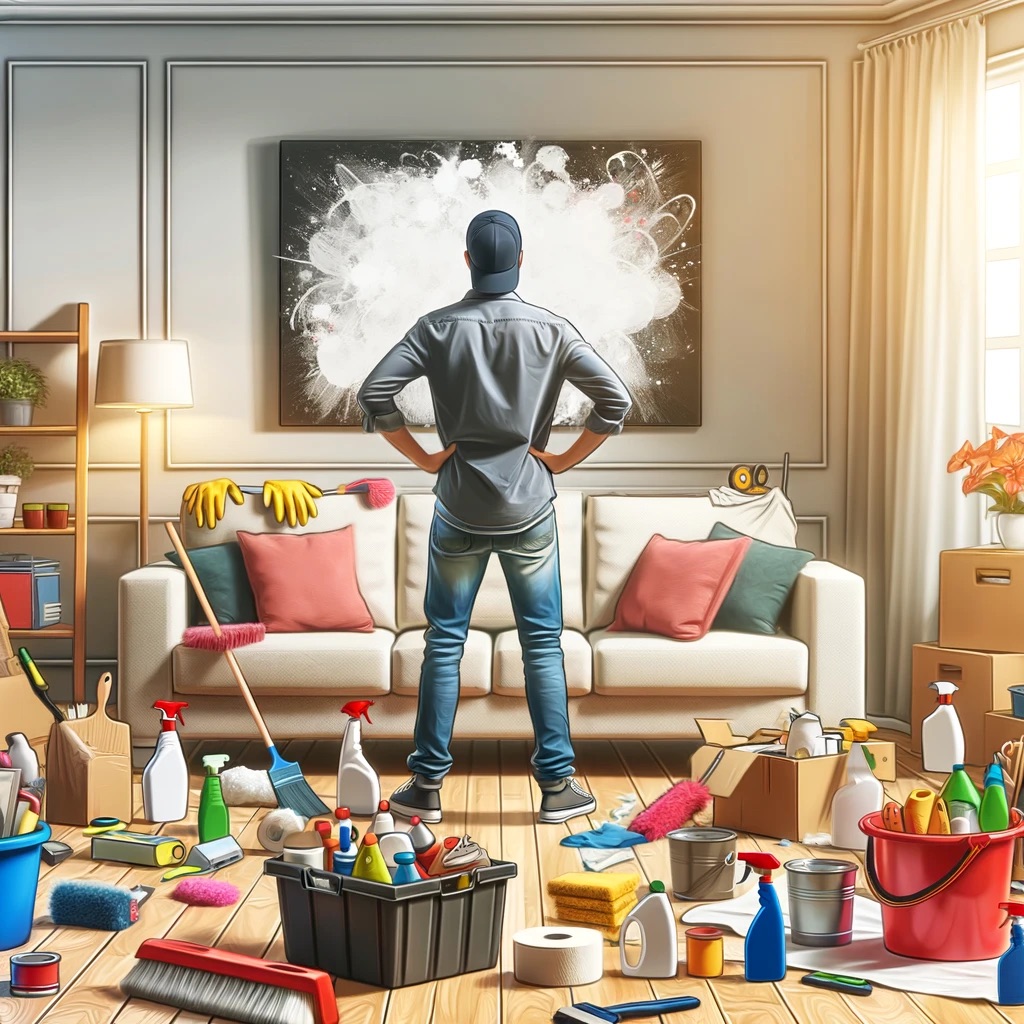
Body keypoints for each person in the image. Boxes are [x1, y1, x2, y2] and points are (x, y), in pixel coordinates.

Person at [357, 209, 633, 824]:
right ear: (520, 261)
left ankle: (425, 788)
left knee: (442, 644)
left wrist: (426, 457)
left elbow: (374, 394)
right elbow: (616, 399)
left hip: (457, 503)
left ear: (466, 261)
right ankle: (558, 788)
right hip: (530, 507)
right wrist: (560, 459)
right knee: (542, 645)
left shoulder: (435, 328)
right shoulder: (553, 330)